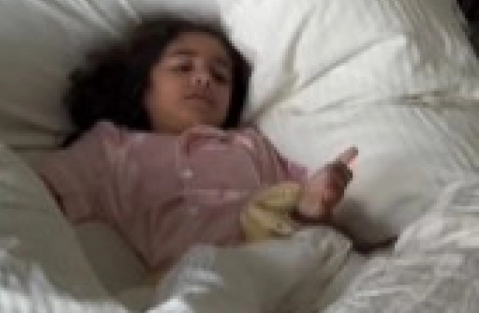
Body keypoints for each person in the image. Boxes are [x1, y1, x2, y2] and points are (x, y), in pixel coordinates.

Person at [38, 16, 358, 275]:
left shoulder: (250, 144)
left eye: (219, 76)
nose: (204, 78)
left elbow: (295, 217)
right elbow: (35, 192)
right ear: (141, 82)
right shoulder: (112, 147)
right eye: (183, 67)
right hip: (197, 278)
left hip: (279, 267)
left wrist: (316, 203)